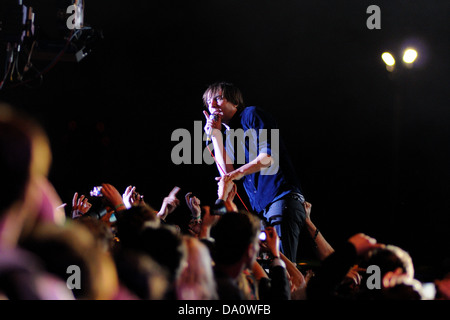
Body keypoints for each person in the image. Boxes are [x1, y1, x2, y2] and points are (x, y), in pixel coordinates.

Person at [202, 81, 306, 262]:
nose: (212, 106)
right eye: (209, 102)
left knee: (284, 265)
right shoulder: (228, 135)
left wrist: (234, 175)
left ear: (235, 102)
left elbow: (268, 157)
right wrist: (216, 135)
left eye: (218, 99)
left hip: (281, 198)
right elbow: (227, 172)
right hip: (261, 209)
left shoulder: (252, 114)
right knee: (269, 266)